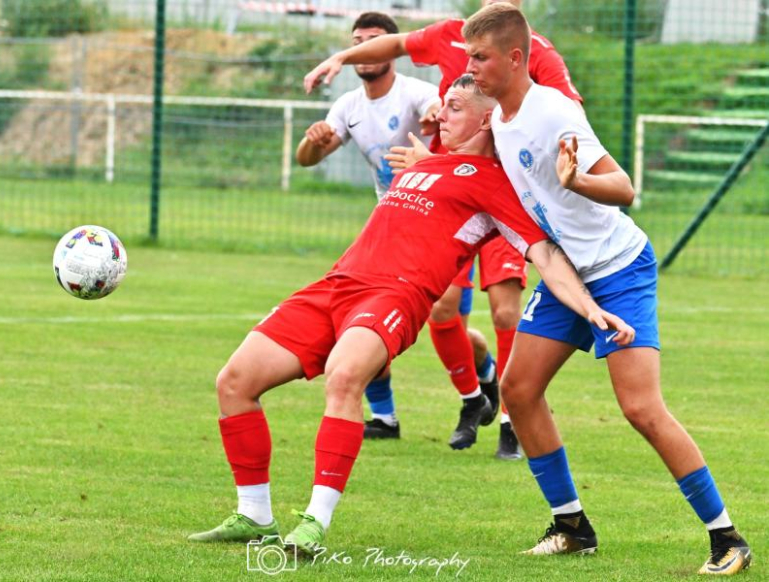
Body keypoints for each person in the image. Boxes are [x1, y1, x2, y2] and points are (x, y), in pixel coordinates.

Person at [187, 75, 635, 559]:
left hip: (395, 296)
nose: (440, 113)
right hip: (337, 282)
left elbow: (545, 255)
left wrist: (590, 308)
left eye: (455, 106)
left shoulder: (497, 184)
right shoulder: (428, 161)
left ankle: (314, 523)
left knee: (343, 378)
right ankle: (254, 513)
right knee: (233, 381)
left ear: (487, 118)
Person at [461, 4, 751, 574]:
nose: (470, 69)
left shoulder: (553, 111)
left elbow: (623, 187)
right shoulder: (500, 118)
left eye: (480, 57)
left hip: (619, 269)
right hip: (566, 274)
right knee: (518, 392)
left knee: (641, 408)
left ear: (514, 58)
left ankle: (727, 538)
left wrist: (578, 181)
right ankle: (571, 527)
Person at [304, 0, 583, 458]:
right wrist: (338, 58)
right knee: (441, 310)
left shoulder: (540, 54)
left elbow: (568, 115)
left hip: (500, 190)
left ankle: (511, 421)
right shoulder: (450, 34)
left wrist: (539, 161)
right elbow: (395, 42)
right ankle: (474, 397)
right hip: (450, 192)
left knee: (506, 313)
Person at [296, 12, 440, 440]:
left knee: (449, 319)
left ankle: (479, 386)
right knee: (360, 312)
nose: (362, 50)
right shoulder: (348, 105)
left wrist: (436, 114)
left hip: (437, 222)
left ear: (391, 48)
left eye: (372, 41)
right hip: (390, 226)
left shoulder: (416, 92)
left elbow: (436, 110)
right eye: (355, 41)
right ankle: (385, 417)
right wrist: (313, 140)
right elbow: (308, 159)